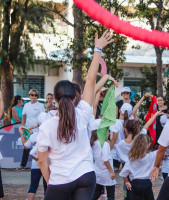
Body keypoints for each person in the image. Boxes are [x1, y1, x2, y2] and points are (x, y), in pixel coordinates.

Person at [37, 30, 114, 199]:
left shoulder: (47, 126)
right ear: (74, 98)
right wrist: (97, 49)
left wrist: (51, 183)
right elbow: (91, 80)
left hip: (60, 180)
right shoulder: (83, 113)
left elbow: (42, 161)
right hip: (85, 176)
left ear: (55, 100)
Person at [119, 134, 157, 200]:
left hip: (135, 183)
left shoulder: (131, 160)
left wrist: (127, 182)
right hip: (147, 182)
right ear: (148, 145)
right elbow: (161, 151)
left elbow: (123, 174)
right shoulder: (151, 156)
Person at [90, 119, 116, 200]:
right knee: (111, 195)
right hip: (107, 174)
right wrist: (111, 171)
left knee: (96, 193)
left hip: (98, 173)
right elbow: (105, 160)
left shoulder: (94, 143)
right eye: (107, 131)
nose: (108, 133)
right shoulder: (104, 144)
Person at [19, 89, 45, 170]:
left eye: (35, 95)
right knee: (26, 148)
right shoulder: (26, 105)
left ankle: (39, 164)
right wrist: (22, 127)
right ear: (29, 96)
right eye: (32, 95)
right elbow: (23, 117)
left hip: (37, 130)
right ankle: (23, 165)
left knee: (38, 148)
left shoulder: (40, 105)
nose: (34, 97)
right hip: (27, 130)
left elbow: (43, 118)